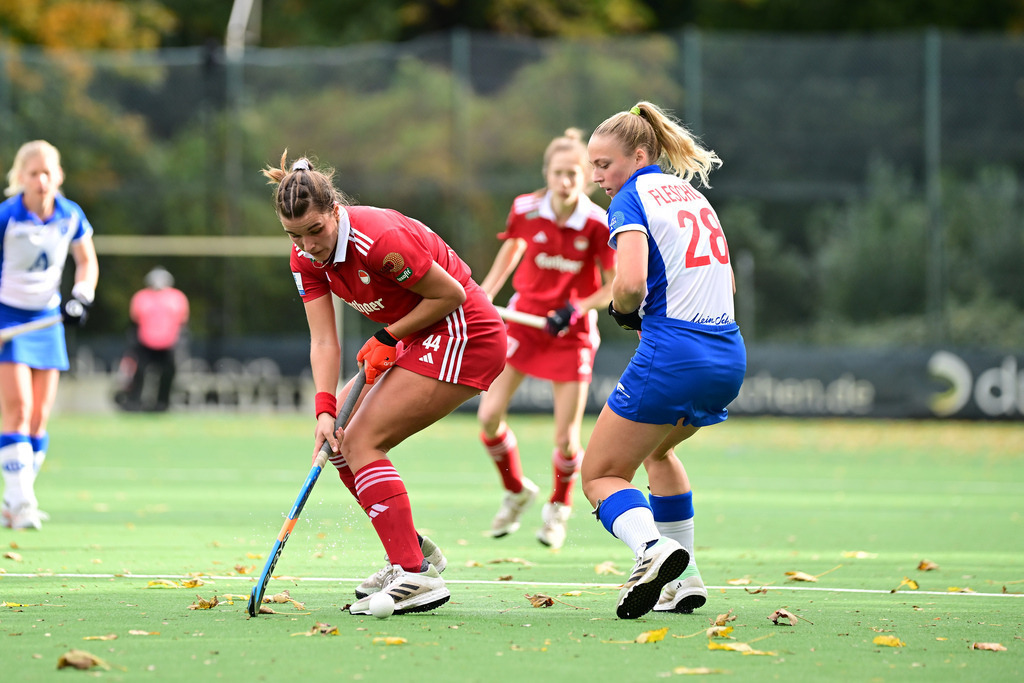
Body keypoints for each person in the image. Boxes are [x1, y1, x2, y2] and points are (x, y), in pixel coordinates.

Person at [261, 152, 507, 616]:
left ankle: (414, 578)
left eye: (315, 230)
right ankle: (414, 557)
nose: (308, 244)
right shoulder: (304, 257)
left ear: (334, 210)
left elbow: (451, 293)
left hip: (464, 332)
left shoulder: (378, 238)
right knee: (339, 443)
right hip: (416, 337)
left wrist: (389, 336)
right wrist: (324, 409)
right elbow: (323, 340)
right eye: (294, 235)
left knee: (363, 443)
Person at [581, 102, 746, 619]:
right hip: (728, 354)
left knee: (601, 476)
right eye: (593, 166)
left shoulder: (631, 200)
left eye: (604, 165)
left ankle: (653, 550)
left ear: (639, 154)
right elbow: (728, 281)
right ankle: (686, 580)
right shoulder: (692, 196)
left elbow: (628, 283)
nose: (596, 176)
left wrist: (623, 312)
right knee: (658, 454)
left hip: (674, 353)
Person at [476, 128, 615, 549]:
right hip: (522, 321)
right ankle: (517, 490)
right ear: (547, 174)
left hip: (569, 333)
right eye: (558, 173)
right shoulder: (525, 208)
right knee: (488, 416)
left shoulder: (597, 223)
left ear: (587, 177)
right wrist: (485, 294)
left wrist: (575, 308)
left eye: (574, 173)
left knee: (567, 441)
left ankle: (558, 509)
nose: (566, 181)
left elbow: (613, 286)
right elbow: (512, 248)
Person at [0, 140, 99, 530]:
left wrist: (81, 297)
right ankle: (23, 502)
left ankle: (12, 499)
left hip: (47, 320)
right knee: (19, 410)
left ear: (58, 176)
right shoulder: (7, 215)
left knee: (40, 418)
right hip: (9, 319)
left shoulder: (70, 214)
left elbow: (86, 261)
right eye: (33, 173)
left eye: (47, 173)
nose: (41, 181)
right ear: (20, 177)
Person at [122, 267, 190, 412]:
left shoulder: (177, 297)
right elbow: (135, 320)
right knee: (138, 373)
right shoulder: (141, 297)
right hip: (144, 344)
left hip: (169, 344)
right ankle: (135, 402)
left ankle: (162, 404)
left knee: (168, 373)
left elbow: (182, 322)